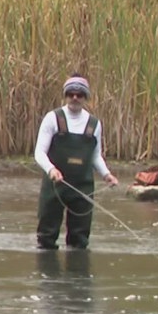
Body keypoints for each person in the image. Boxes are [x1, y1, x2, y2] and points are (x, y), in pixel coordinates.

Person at [33, 74, 119, 250]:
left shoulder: (94, 124)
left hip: (83, 187)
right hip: (55, 186)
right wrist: (51, 170)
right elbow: (39, 152)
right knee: (46, 238)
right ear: (65, 95)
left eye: (79, 95)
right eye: (70, 94)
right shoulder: (53, 118)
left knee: (79, 241)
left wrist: (106, 174)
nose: (74, 98)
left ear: (85, 97)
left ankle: (78, 267)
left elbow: (96, 156)